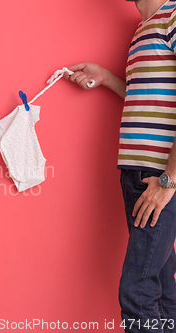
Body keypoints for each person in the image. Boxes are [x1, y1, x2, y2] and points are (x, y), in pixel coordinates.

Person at [65, 0, 176, 332]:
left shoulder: (173, 16)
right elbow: (147, 95)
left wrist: (169, 179)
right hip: (135, 174)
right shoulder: (143, 28)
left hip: (159, 179)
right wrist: (106, 78)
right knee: (161, 289)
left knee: (137, 292)